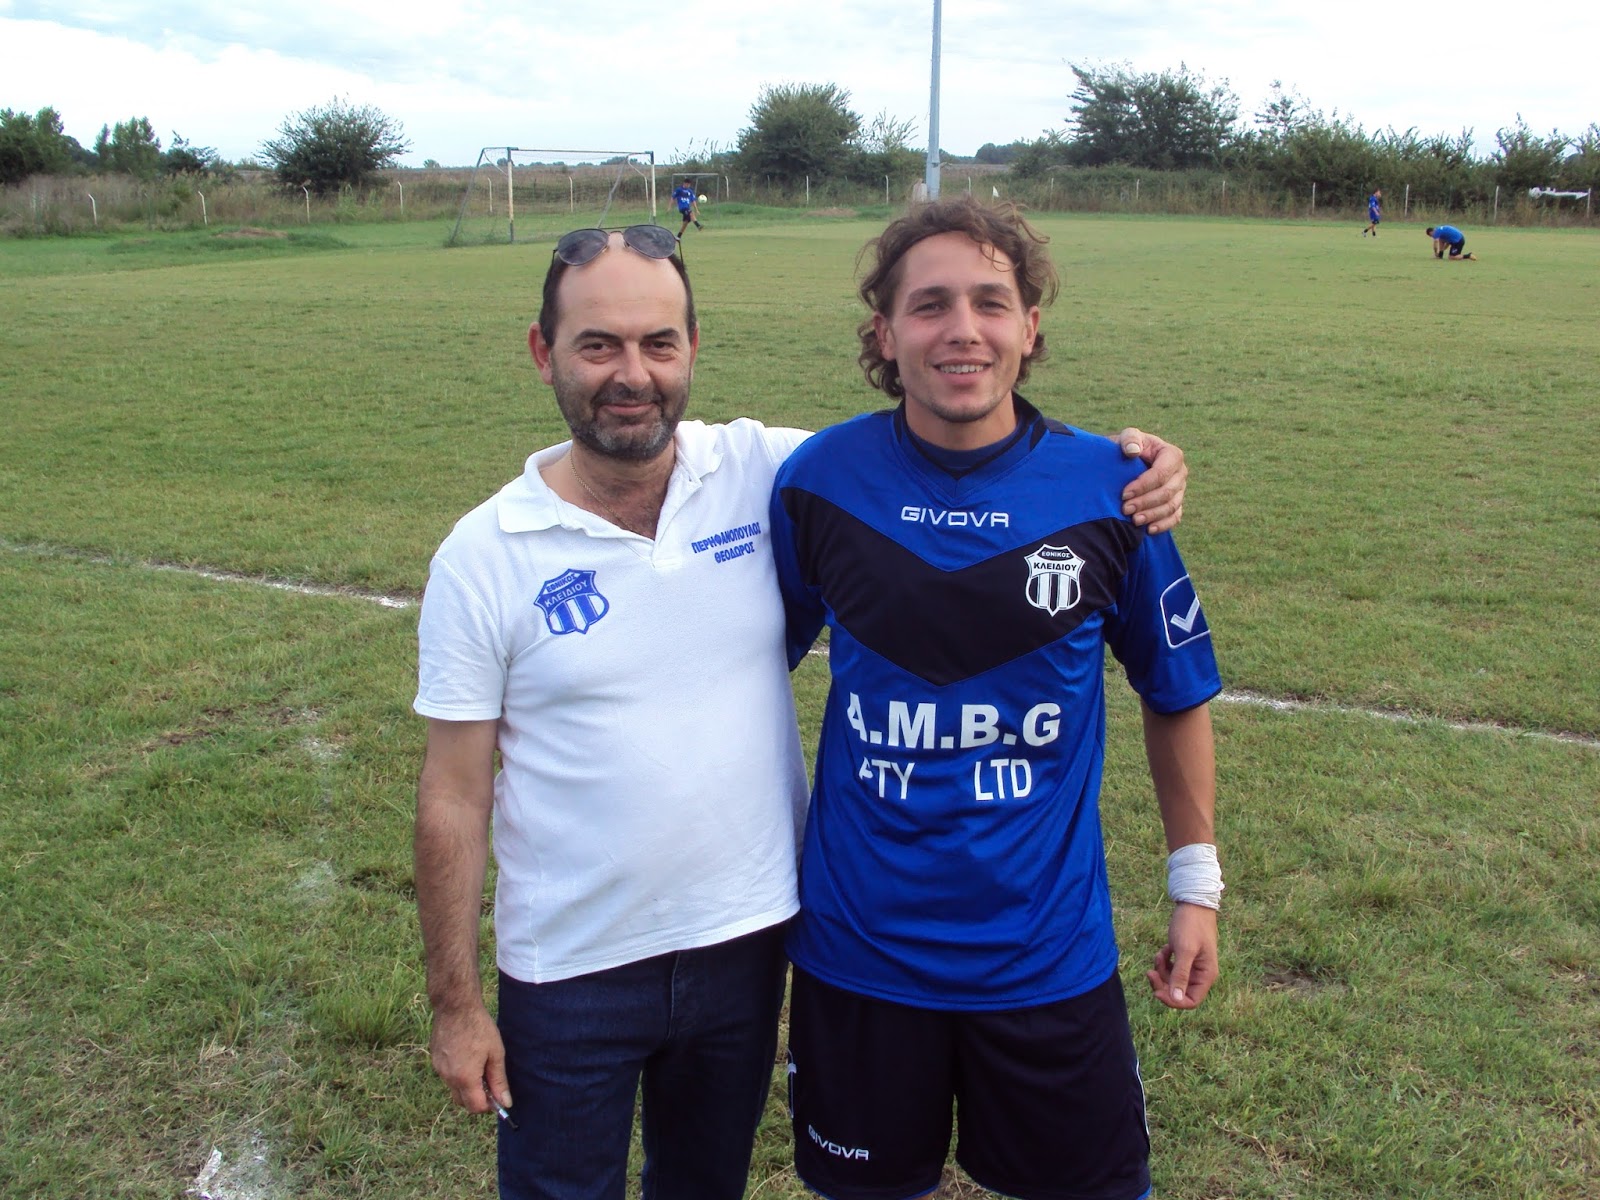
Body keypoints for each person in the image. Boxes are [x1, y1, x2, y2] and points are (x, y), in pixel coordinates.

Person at [412, 222, 1190, 1200]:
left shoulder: (766, 471)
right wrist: (455, 1005)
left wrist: (1138, 464)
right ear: (544, 352)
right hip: (570, 968)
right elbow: (451, 796)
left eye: (658, 343)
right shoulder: (484, 555)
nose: (631, 374)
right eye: (597, 345)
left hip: (745, 945)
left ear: (693, 349)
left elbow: (934, 444)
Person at [769, 196, 1223, 1200]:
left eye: (990, 302)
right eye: (929, 305)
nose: (962, 330)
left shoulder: (1115, 491)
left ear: (1030, 327)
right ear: (884, 334)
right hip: (858, 956)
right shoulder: (818, 481)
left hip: (1046, 957)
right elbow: (743, 662)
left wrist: (1196, 887)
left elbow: (1175, 689)